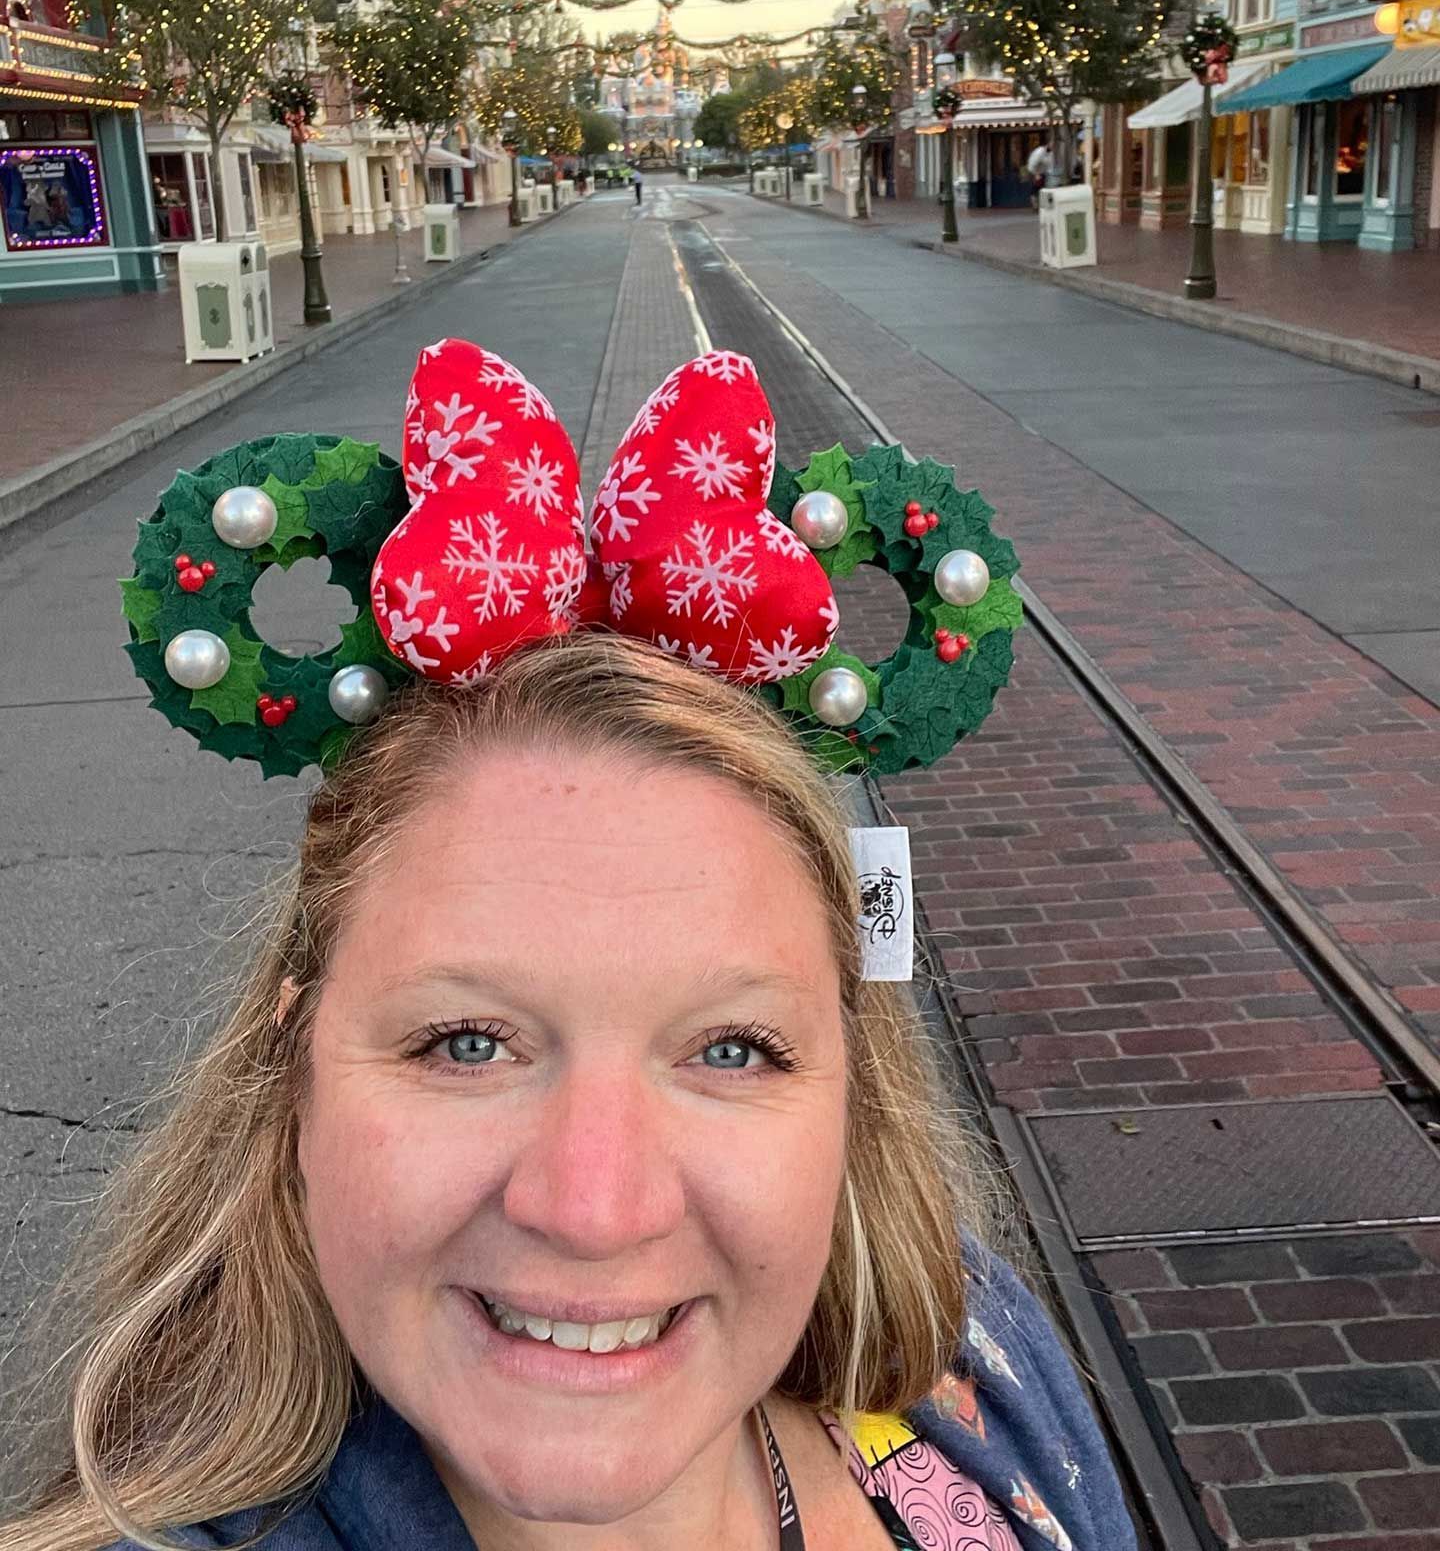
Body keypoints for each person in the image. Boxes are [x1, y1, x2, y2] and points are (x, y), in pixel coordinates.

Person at [1, 346, 1135, 1551]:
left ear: (854, 1085)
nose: (597, 1210)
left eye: (737, 1050)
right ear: (295, 1071)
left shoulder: (984, 1364)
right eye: (468, 1042)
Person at [1024, 141, 1052, 208]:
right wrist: (1035, 174)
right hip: (1035, 173)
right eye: (1051, 145)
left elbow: (1049, 163)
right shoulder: (1039, 152)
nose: (1053, 147)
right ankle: (1035, 206)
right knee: (1035, 189)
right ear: (1047, 145)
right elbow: (1032, 164)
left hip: (1043, 173)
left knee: (1042, 189)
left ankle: (1041, 205)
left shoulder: (1049, 153)